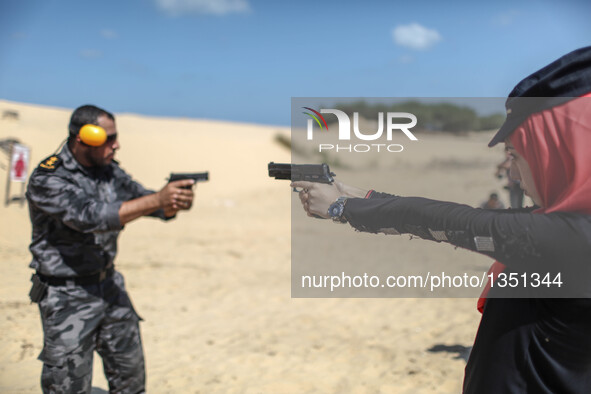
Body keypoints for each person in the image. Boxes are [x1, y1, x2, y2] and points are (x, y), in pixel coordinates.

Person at [292, 47, 591, 393]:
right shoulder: (571, 228)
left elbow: (451, 220)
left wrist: (341, 208)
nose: (513, 171)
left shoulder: (573, 238)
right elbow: (451, 215)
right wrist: (353, 194)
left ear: (560, 155)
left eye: (518, 155)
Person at [26, 105, 195, 393]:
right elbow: (89, 217)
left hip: (109, 288)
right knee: (67, 386)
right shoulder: (49, 177)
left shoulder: (109, 171)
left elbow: (145, 200)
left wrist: (173, 202)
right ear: (84, 137)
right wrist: (158, 200)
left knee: (131, 380)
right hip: (67, 297)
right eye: (109, 138)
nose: (116, 145)